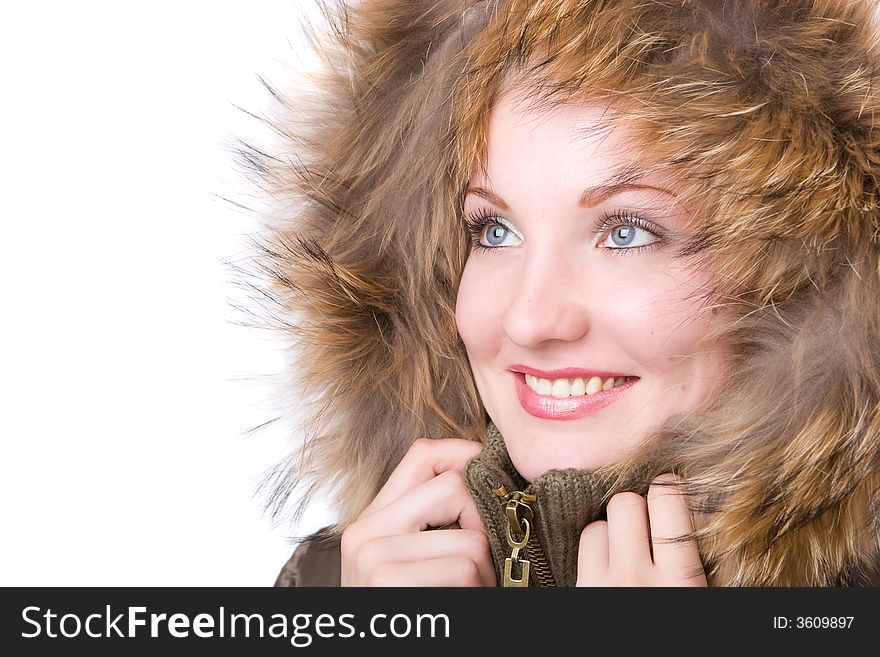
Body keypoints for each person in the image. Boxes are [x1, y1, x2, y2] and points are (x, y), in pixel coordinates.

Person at [241, 0, 880, 586]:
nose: (529, 318)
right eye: (494, 230)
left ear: (804, 279)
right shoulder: (346, 580)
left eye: (627, 232)